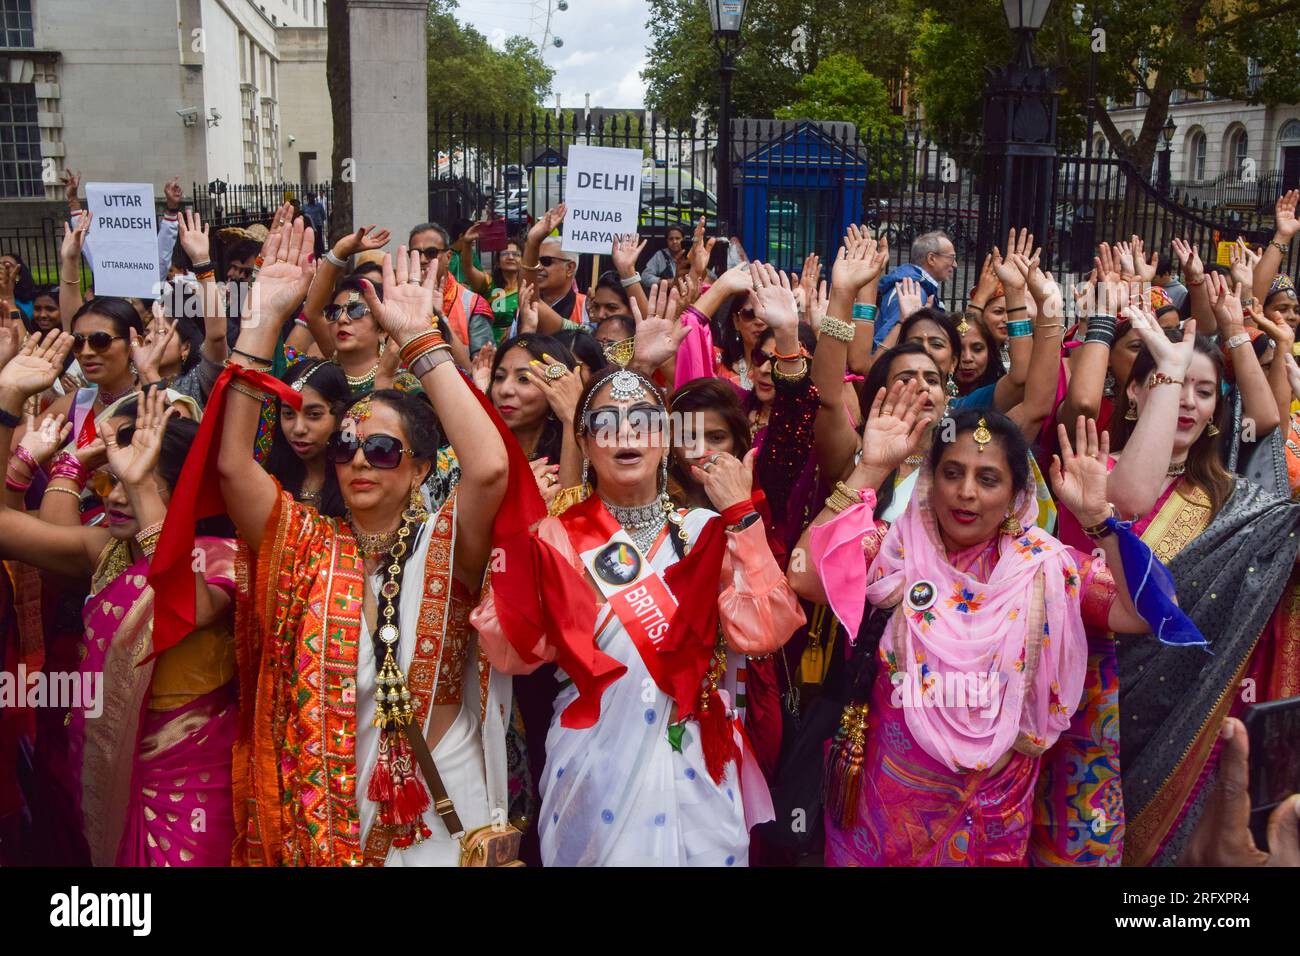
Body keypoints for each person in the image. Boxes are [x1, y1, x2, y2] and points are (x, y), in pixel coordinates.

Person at [199, 221, 512, 865]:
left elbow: (488, 468)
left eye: (382, 448)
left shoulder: (447, 542)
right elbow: (232, 467)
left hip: (444, 802)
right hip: (326, 816)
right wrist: (260, 322)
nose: (360, 460)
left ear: (421, 467)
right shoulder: (309, 542)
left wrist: (422, 342)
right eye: (347, 446)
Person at [791, 394, 1154, 866]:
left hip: (994, 816)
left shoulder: (1046, 568)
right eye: (952, 473)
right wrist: (870, 469)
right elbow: (804, 576)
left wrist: (1100, 523)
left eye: (988, 479)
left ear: (1015, 495)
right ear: (929, 480)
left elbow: (1140, 613)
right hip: (885, 816)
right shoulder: (895, 551)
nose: (966, 493)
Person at [470, 362, 804, 866]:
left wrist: (742, 515)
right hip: (593, 760)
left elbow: (765, 630)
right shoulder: (555, 535)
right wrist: (519, 541)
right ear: (583, 443)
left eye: (643, 421)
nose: (625, 434)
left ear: (666, 438)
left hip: (691, 758)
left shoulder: (704, 529)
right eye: (606, 423)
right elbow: (511, 652)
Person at [0, 335, 239, 866]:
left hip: (190, 773)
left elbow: (187, 608)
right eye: (112, 481)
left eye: (133, 486)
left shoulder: (223, 557)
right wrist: (6, 403)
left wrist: (142, 488)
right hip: (107, 762)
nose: (113, 495)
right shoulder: (106, 549)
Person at [260, 358, 349, 516]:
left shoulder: (355, 479)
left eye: (314, 415)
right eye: (288, 414)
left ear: (340, 415)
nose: (298, 429)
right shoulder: (268, 479)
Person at [410, 221, 494, 356]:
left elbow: (481, 369)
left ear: (448, 257)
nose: (422, 259)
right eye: (415, 253)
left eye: (431, 253)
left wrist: (441, 318)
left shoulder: (472, 304)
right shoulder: (401, 299)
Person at [873, 230, 955, 346]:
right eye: (951, 258)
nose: (955, 264)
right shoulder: (913, 291)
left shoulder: (917, 287)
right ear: (931, 258)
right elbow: (884, 341)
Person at [641, 224, 686, 289]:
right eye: (671, 239)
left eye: (678, 238)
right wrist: (664, 282)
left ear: (683, 239)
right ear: (667, 241)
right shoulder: (660, 255)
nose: (674, 241)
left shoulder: (690, 254)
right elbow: (645, 277)